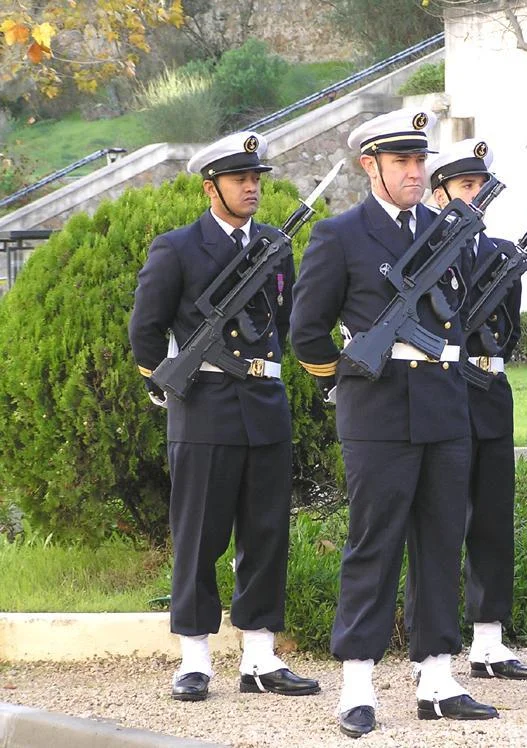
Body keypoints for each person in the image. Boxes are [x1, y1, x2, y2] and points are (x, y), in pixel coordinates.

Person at [289, 110, 498, 738]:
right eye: (402, 161)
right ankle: (357, 683)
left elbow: (456, 321)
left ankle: (435, 675)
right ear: (369, 166)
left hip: (442, 404)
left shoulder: (445, 230)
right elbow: (306, 331)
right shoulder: (339, 235)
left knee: (440, 542)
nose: (415, 171)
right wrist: (344, 384)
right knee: (374, 544)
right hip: (376, 410)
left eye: (420, 160)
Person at [129, 131, 319, 702]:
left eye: (257, 178)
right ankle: (194, 658)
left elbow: (280, 324)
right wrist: (167, 385)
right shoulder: (178, 247)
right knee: (200, 536)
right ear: (211, 187)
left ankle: (259, 657)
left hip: (264, 406)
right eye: (240, 179)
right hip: (205, 408)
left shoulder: (274, 245)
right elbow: (146, 330)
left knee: (266, 534)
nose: (253, 187)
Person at [415, 138, 527, 681]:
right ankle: (430, 648)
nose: (476, 196)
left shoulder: (496, 250)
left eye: (480, 186)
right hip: (442, 393)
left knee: (492, 518)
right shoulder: (422, 249)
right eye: (466, 186)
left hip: (489, 390)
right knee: (438, 525)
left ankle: (488, 642)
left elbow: (506, 331)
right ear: (440, 192)